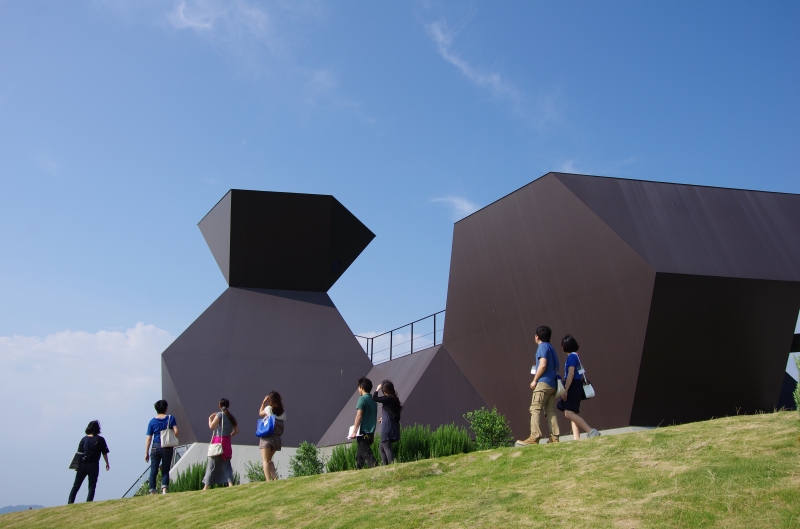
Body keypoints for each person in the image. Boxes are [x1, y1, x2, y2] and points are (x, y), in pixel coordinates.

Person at [516, 325, 561, 446]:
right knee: (550, 410)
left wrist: (535, 380)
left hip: (543, 383)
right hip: (553, 384)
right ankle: (554, 437)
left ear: (537, 336)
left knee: (535, 408)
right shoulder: (551, 348)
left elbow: (543, 364)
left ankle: (534, 436)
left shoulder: (542, 347)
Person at [559, 335, 601, 440]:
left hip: (572, 385)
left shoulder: (571, 357)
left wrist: (566, 390)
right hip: (577, 384)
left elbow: (571, 374)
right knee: (572, 413)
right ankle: (576, 438)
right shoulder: (576, 355)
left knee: (568, 413)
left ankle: (591, 431)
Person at [68, 421, 110, 504]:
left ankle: (70, 502)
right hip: (93, 465)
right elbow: (104, 453)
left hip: (82, 464)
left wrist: (76, 465)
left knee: (76, 486)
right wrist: (107, 463)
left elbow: (79, 453)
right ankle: (88, 503)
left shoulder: (84, 439)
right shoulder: (100, 439)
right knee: (91, 487)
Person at [202, 398, 239, 490]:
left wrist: (209, 419)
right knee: (226, 465)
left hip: (218, 442)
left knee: (211, 464)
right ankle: (230, 484)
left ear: (219, 406)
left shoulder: (219, 415)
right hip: (227, 442)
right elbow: (236, 431)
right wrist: (229, 435)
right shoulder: (231, 417)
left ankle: (206, 486)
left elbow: (211, 427)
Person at [144, 399, 179, 494]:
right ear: (166, 408)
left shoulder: (152, 421)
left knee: (153, 470)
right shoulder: (171, 418)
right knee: (165, 469)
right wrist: (172, 436)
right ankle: (164, 490)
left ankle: (152, 491)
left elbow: (148, 438)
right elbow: (176, 432)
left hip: (155, 447)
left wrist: (146, 452)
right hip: (167, 447)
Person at [348, 377, 377, 469]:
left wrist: (354, 431)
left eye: (358, 388)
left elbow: (359, 415)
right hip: (370, 432)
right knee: (360, 454)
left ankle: (376, 468)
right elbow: (373, 417)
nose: (358, 390)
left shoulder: (362, 399)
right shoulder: (373, 401)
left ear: (362, 388)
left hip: (363, 431)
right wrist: (373, 435)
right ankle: (358, 470)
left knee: (367, 453)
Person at [371, 380, 402, 465]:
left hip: (387, 427)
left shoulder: (388, 398)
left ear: (384, 391)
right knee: (381, 448)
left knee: (387, 448)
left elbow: (374, 398)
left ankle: (391, 465)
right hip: (392, 425)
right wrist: (384, 418)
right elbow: (392, 413)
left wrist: (377, 389)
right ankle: (385, 466)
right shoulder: (394, 399)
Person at [258, 391, 286, 481]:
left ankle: (268, 480)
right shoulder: (282, 412)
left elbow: (260, 413)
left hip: (267, 438)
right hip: (277, 439)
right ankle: (274, 477)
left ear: (270, 400)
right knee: (269, 459)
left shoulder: (268, 408)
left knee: (265, 460)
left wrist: (263, 403)